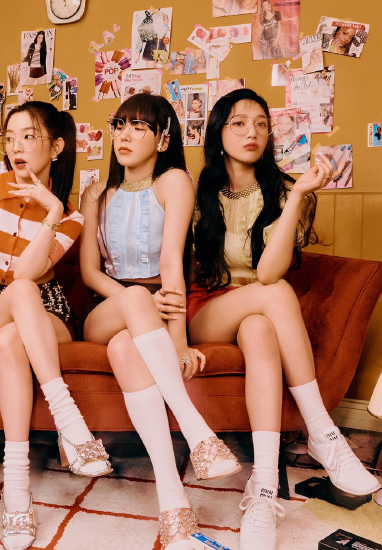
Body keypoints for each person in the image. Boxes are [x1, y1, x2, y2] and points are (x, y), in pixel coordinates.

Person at [185, 89, 380, 550]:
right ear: (218, 132)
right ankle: (323, 432)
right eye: (238, 123)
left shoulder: (288, 191)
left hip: (259, 309)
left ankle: (264, 488)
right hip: (208, 308)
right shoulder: (197, 193)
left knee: (259, 327)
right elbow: (269, 282)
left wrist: (296, 198)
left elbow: (269, 270)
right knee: (274, 294)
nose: (251, 132)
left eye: (260, 123)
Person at [79, 94, 240, 549]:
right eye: (119, 125)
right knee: (131, 302)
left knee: (124, 350)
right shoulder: (95, 193)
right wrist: (138, 301)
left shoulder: (174, 181)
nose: (125, 136)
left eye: (139, 127)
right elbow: (90, 272)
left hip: (159, 303)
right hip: (106, 307)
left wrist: (178, 339)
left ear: (163, 138)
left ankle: (173, 506)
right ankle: (197, 431)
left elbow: (173, 261)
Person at [0, 102, 111, 550]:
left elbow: (28, 271)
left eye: (29, 136)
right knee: (18, 296)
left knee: (10, 338)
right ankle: (69, 421)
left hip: (49, 309)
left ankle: (16, 492)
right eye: (11, 138)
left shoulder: (70, 216)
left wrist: (53, 210)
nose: (17, 147)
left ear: (56, 147)